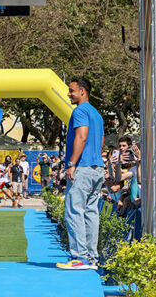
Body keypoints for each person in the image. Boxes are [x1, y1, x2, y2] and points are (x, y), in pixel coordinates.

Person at [56, 77, 105, 271]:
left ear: (82, 91)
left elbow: (82, 136)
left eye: (72, 90)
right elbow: (100, 141)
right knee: (91, 213)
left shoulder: (80, 111)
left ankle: (79, 257)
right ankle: (91, 257)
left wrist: (71, 164)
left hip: (83, 168)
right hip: (97, 168)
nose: (69, 94)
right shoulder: (97, 114)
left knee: (74, 211)